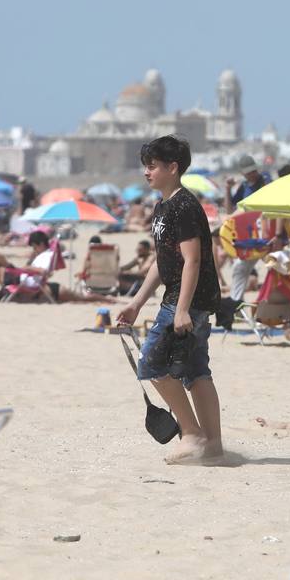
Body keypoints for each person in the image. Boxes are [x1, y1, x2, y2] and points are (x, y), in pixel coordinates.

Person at [117, 135, 224, 463]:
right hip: (185, 299)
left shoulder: (184, 205)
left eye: (152, 167)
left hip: (187, 300)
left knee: (151, 363)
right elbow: (163, 263)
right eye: (145, 167)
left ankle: (191, 435)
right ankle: (214, 447)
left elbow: (192, 260)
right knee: (195, 371)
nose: (146, 173)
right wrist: (136, 303)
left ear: (172, 168)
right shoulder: (163, 206)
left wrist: (180, 310)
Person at [224, 154, 271, 301]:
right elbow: (229, 210)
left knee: (277, 266)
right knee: (240, 269)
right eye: (248, 171)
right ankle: (236, 306)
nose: (252, 174)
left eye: (253, 170)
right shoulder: (244, 187)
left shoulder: (265, 180)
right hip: (250, 236)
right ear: (242, 173)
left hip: (265, 233)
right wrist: (227, 188)